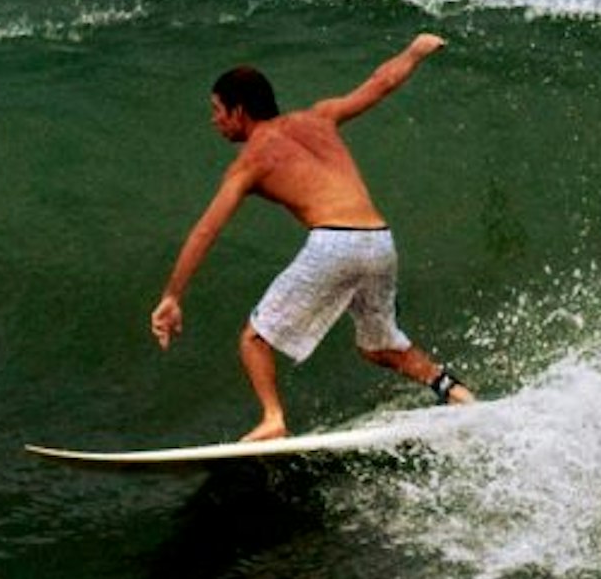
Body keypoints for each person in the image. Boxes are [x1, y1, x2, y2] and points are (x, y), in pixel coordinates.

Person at [151, 32, 483, 442]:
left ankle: (273, 419)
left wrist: (172, 296)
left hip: (335, 244)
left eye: (218, 110)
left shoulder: (250, 160)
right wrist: (415, 51)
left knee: (254, 339)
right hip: (379, 241)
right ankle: (455, 392)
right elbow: (380, 83)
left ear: (239, 111)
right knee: (379, 346)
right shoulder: (320, 118)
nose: (214, 120)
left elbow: (206, 229)